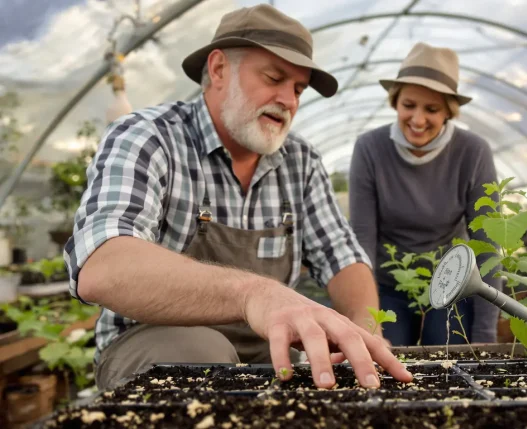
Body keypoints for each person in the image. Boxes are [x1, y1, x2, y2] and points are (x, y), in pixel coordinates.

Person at [63, 4, 412, 391]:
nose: (289, 99)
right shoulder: (148, 138)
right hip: (154, 345)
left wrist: (364, 333)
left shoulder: (300, 161)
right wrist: (254, 294)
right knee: (199, 351)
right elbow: (103, 267)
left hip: (268, 356)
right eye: (274, 78)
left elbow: (343, 257)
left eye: (298, 88)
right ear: (218, 69)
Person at [348, 42, 502, 347]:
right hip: (387, 284)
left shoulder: (472, 152)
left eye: (431, 109)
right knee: (389, 360)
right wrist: (365, 323)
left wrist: (485, 334)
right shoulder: (370, 148)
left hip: (451, 282)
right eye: (409, 105)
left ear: (449, 111)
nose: (418, 120)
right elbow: (361, 239)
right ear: (395, 102)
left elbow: (486, 246)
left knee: (448, 356)